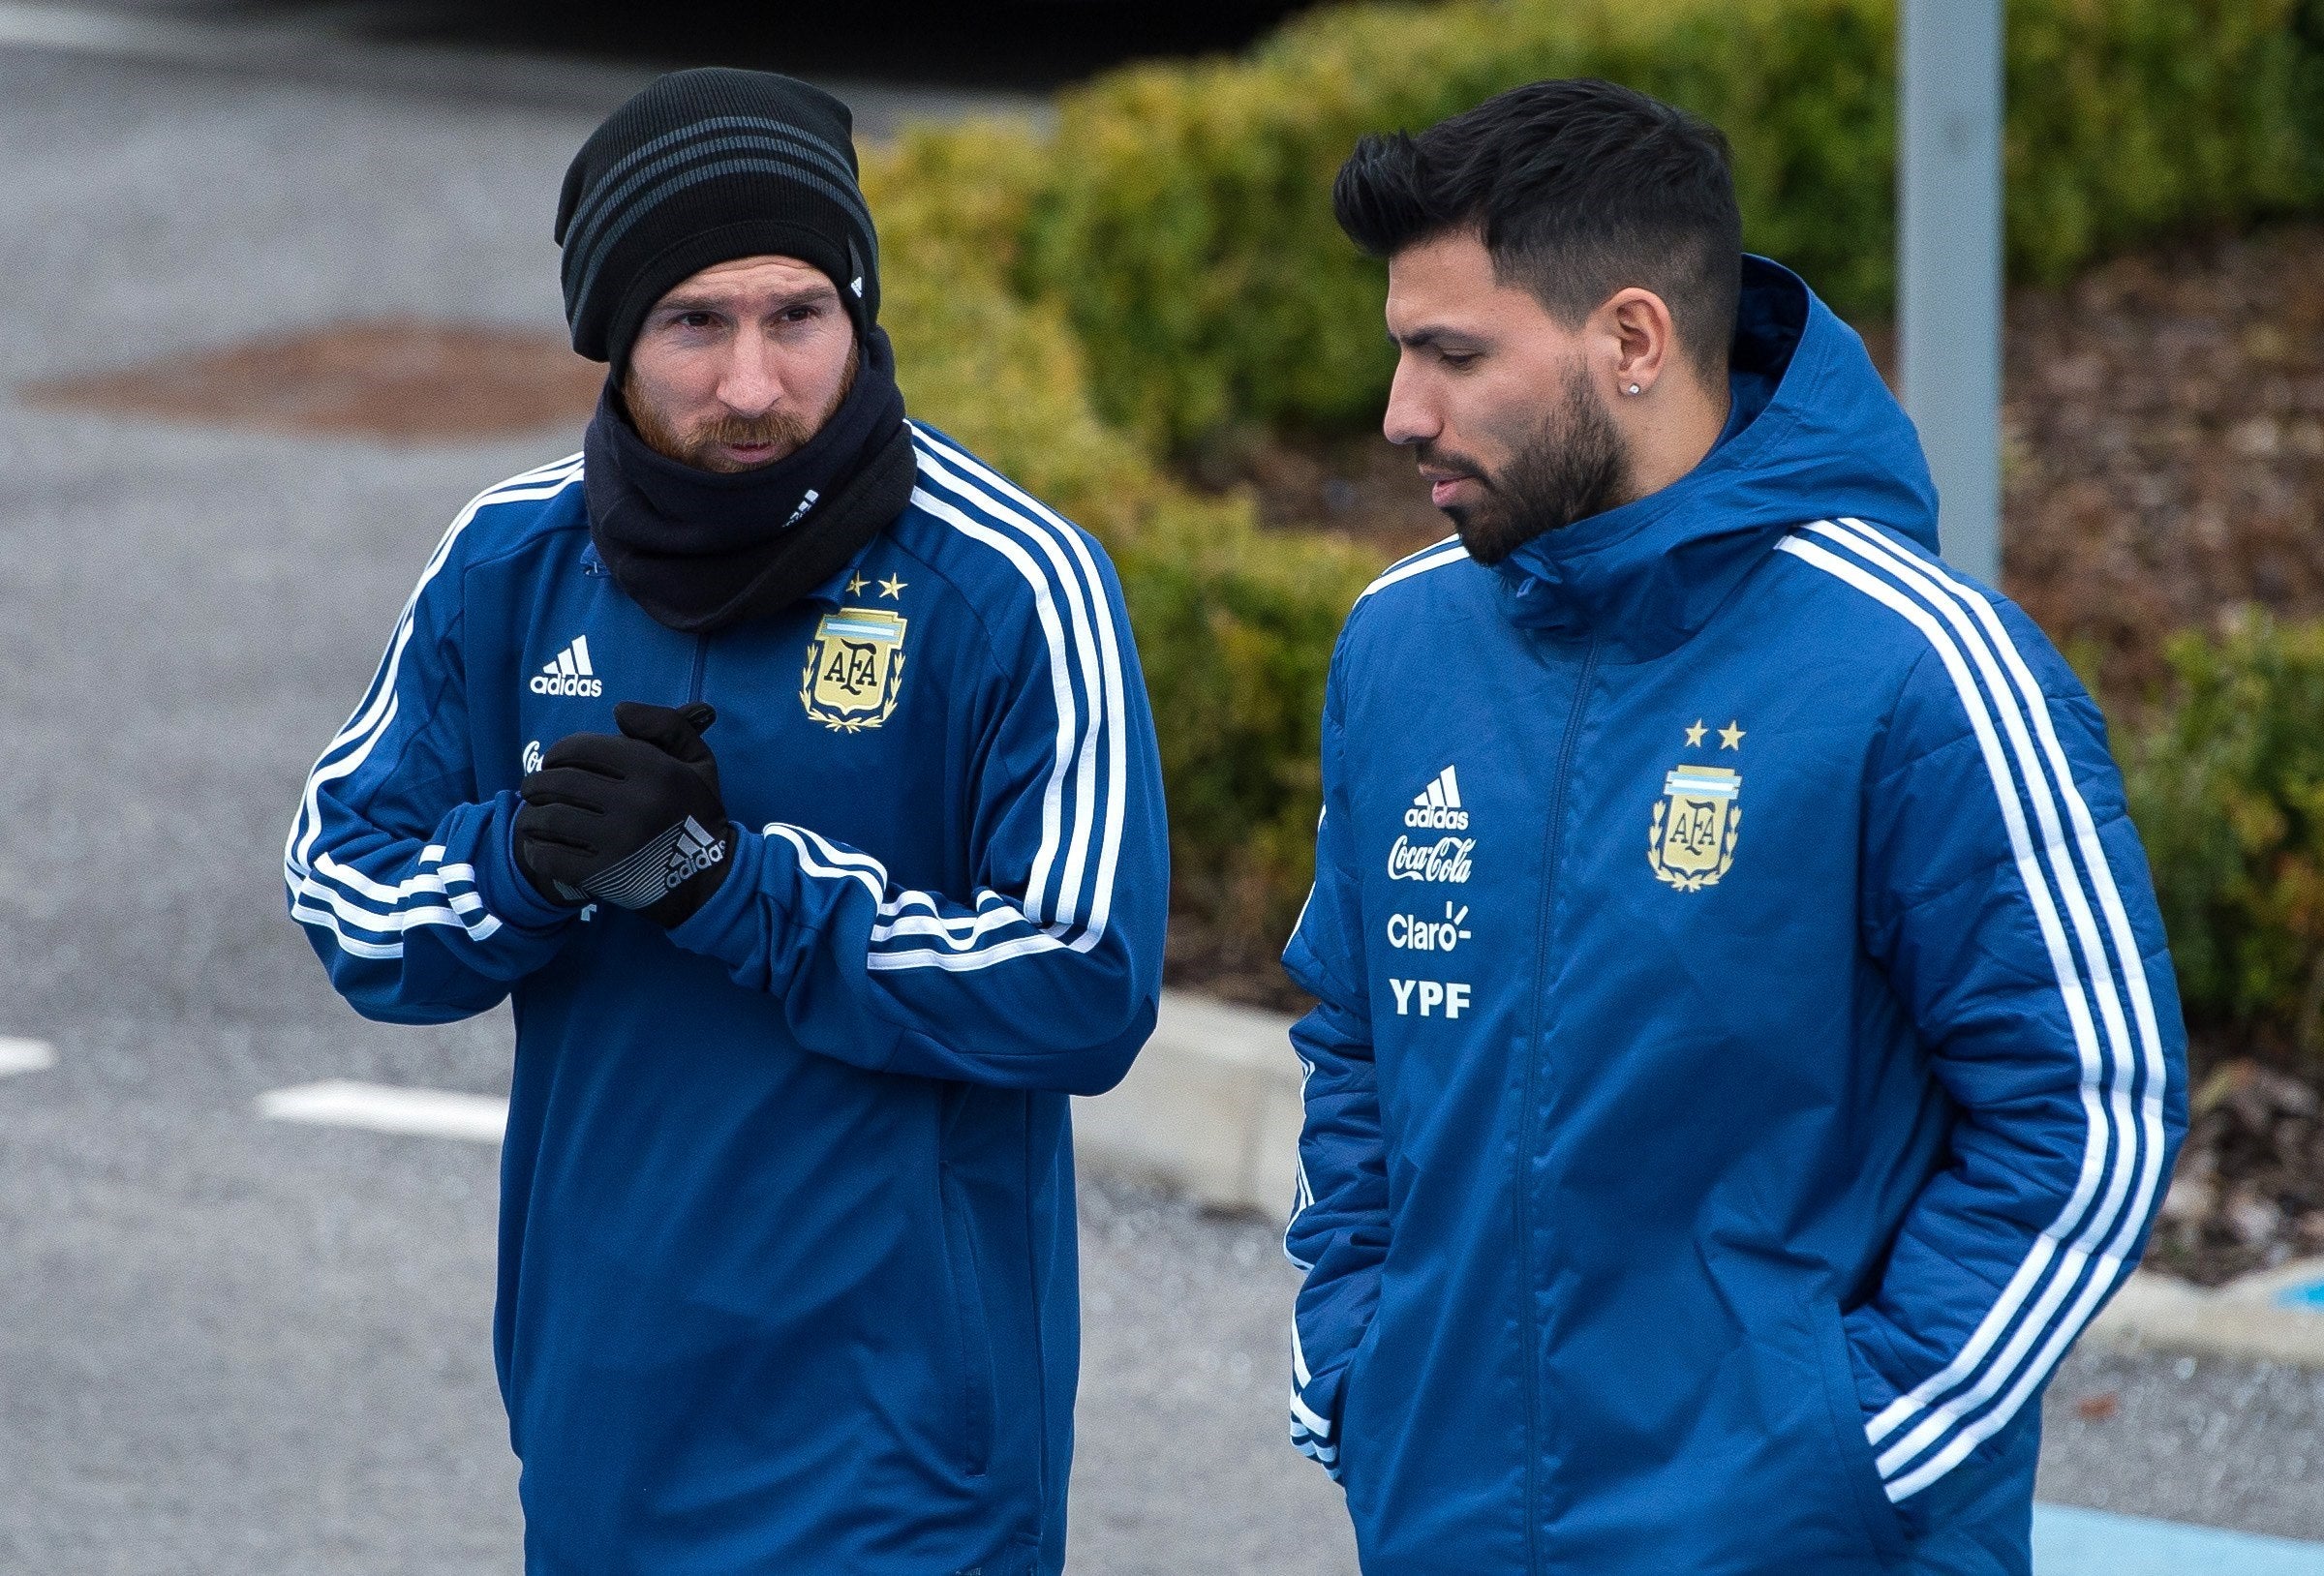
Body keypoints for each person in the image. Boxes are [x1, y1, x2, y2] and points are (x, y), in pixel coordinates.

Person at [1281, 77, 2186, 1574]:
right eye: (1400, 351)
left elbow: (2091, 1110)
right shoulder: (1399, 642)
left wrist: (1841, 1454)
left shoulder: (1918, 668)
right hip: (1441, 1519)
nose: (1402, 414)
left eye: (1453, 354)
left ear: (1632, 340)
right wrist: (1358, 1369)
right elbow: (1356, 1044)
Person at [283, 68, 1165, 1576]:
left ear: (860, 313)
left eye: (797, 316)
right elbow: (346, 896)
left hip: (906, 1463)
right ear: (612, 339)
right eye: (696, 323)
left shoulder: (1013, 584)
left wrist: (729, 889)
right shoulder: (509, 562)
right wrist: (522, 862)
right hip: (605, 1432)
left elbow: (1082, 986)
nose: (754, 384)